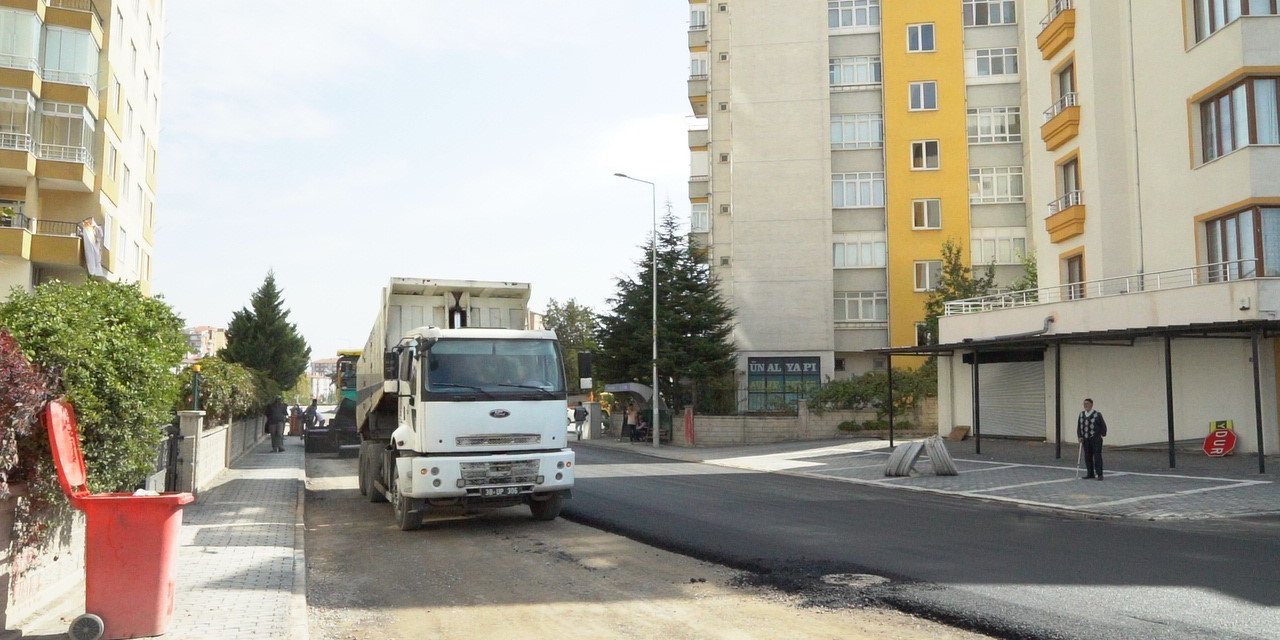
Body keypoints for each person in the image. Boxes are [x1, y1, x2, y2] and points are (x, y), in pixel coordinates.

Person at [1077, 398, 1107, 480]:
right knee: (1087, 456)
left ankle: (1099, 474)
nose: (1085, 405)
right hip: (1086, 440)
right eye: (1084, 404)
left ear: (1091, 404)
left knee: (1097, 456)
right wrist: (1079, 436)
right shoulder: (1081, 414)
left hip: (1095, 439)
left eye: (1087, 403)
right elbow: (1079, 427)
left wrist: (1102, 434)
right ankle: (1090, 473)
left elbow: (1103, 425)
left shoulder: (1097, 414)